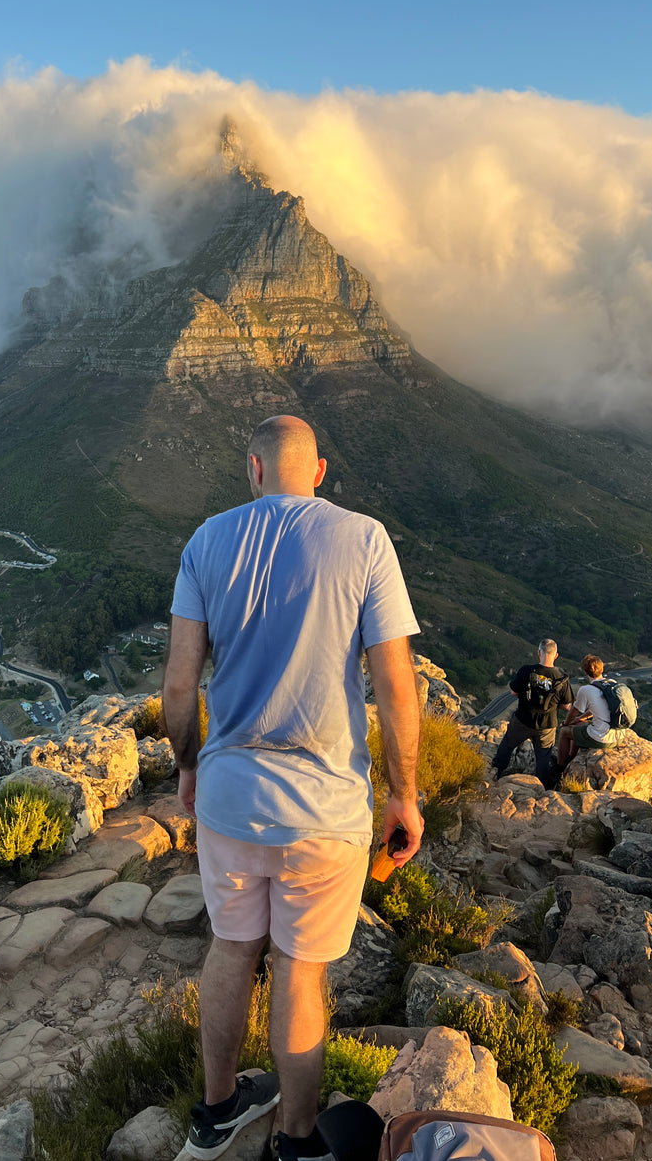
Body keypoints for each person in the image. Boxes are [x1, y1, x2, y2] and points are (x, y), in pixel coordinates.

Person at [163, 415, 423, 1161]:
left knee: (231, 946)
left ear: (252, 469)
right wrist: (404, 795)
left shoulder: (205, 541)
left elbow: (180, 685)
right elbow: (395, 682)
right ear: (318, 471)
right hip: (325, 810)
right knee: (299, 972)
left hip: (229, 796)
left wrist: (189, 765)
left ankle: (215, 1114)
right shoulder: (365, 537)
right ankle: (297, 1140)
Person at [491, 639, 573, 789]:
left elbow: (513, 692)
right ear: (556, 656)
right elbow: (567, 705)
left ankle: (495, 771)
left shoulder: (526, 670)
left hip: (523, 720)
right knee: (543, 757)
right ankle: (541, 787)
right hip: (547, 726)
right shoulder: (562, 678)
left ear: (539, 653)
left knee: (508, 745)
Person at [554, 654, 630, 779]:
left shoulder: (586, 690)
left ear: (585, 671)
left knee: (564, 732)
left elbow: (573, 711)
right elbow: (600, 709)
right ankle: (572, 758)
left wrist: (567, 723)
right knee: (580, 725)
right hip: (619, 736)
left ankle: (560, 768)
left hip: (603, 739)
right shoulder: (612, 684)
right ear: (602, 669)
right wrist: (581, 719)